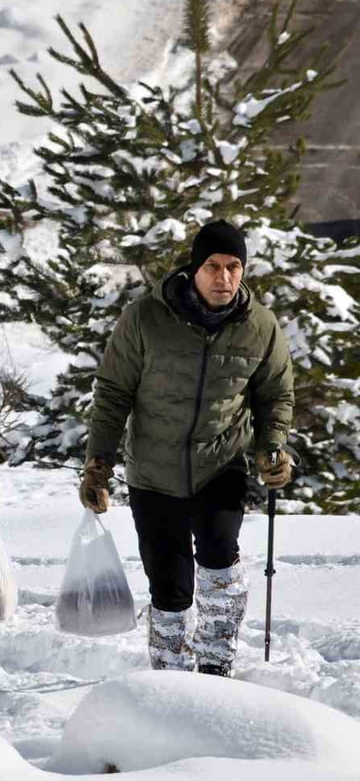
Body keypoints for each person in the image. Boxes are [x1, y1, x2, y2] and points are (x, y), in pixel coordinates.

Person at [81, 220, 294, 676]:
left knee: (219, 559)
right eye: (213, 266)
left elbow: (274, 394)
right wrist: (98, 463)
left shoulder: (259, 326)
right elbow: (113, 391)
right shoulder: (145, 318)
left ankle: (217, 668)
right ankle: (172, 680)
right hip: (153, 471)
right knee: (170, 587)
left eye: (234, 267)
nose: (224, 278)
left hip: (221, 464)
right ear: (194, 269)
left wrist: (270, 446)